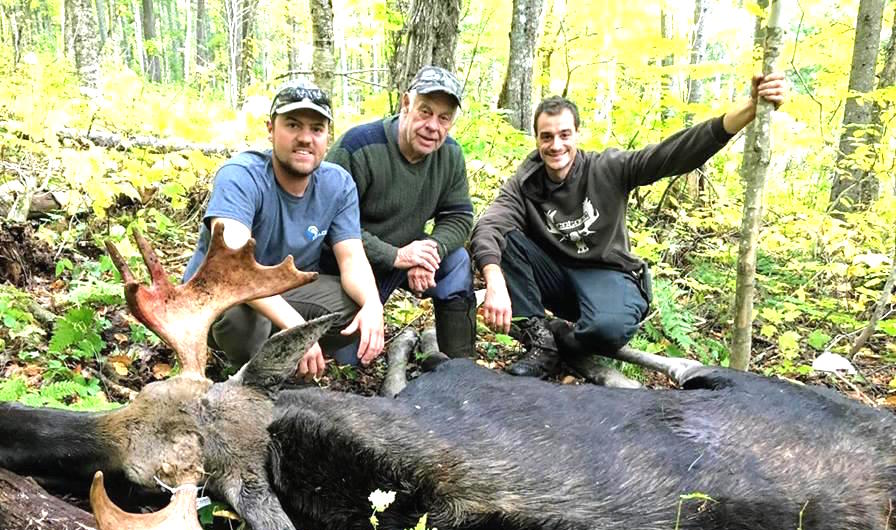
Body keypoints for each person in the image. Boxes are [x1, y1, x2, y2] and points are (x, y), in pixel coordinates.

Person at [470, 72, 789, 378]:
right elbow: (489, 225)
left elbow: (673, 154)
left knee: (606, 331)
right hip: (557, 276)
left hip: (606, 273)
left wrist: (748, 110)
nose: (556, 145)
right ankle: (541, 343)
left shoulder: (607, 168)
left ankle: (565, 339)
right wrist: (494, 281)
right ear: (537, 139)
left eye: (565, 135)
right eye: (547, 137)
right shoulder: (525, 182)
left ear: (577, 134)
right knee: (504, 241)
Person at [183, 80, 384, 378]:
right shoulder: (241, 176)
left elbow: (352, 257)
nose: (305, 138)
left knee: (356, 307)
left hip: (282, 290)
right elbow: (231, 266)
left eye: (316, 129)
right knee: (245, 321)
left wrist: (373, 304)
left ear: (328, 136)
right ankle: (251, 376)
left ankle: (282, 359)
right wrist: (296, 329)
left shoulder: (337, 184)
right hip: (219, 296)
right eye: (292, 125)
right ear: (270, 129)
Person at [326, 66, 476, 359]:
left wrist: (430, 252)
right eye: (425, 112)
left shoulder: (450, 155)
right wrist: (397, 256)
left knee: (457, 262)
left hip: (406, 254)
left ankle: (461, 365)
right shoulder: (358, 147)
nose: (433, 126)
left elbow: (459, 216)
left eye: (444, 118)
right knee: (349, 360)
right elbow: (329, 225)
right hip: (352, 266)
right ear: (406, 104)